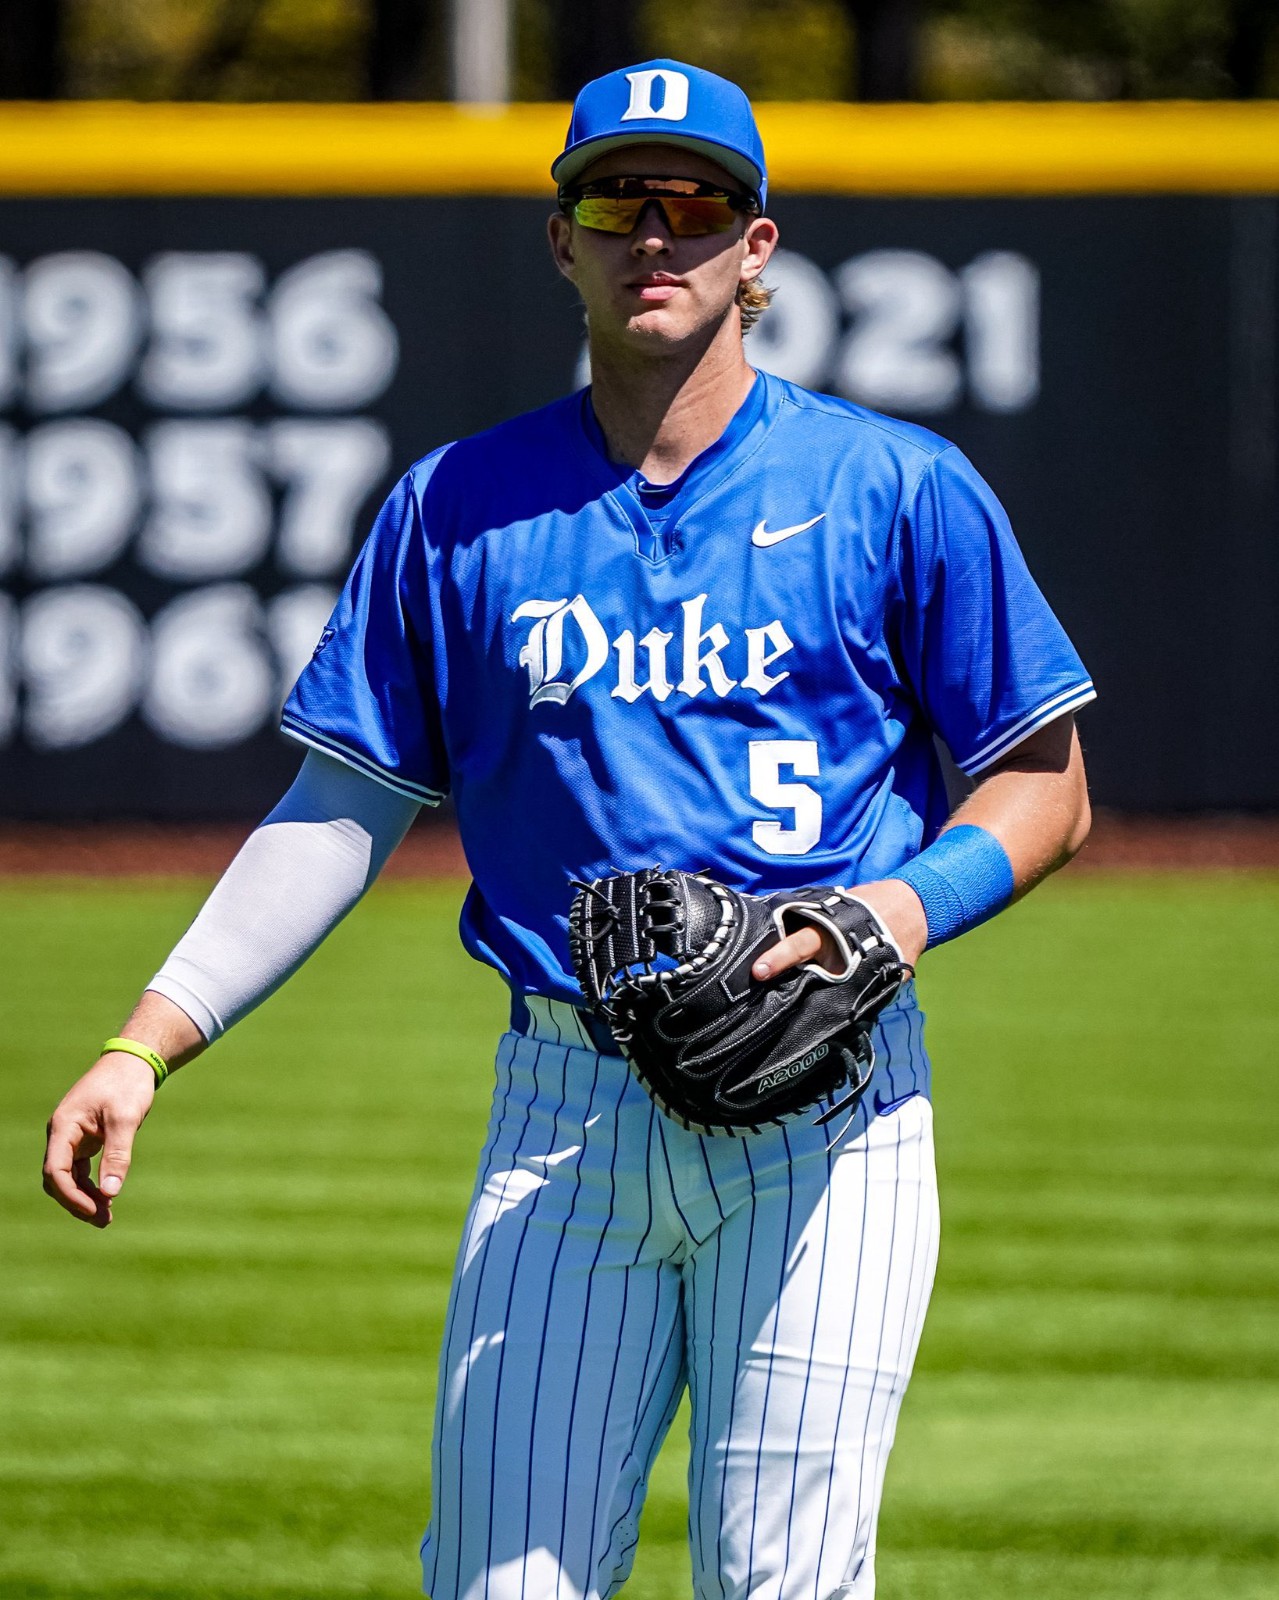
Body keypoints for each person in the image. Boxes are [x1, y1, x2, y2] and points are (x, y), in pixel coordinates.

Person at [43, 60, 1095, 1600]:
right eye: (616, 202)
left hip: (829, 1104)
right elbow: (342, 807)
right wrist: (143, 1045)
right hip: (565, 1104)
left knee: (785, 1583)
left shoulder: (894, 486)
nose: (655, 235)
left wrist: (891, 914)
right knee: (498, 1584)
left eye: (696, 202)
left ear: (757, 245)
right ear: (562, 239)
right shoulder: (458, 507)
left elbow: (1047, 785)